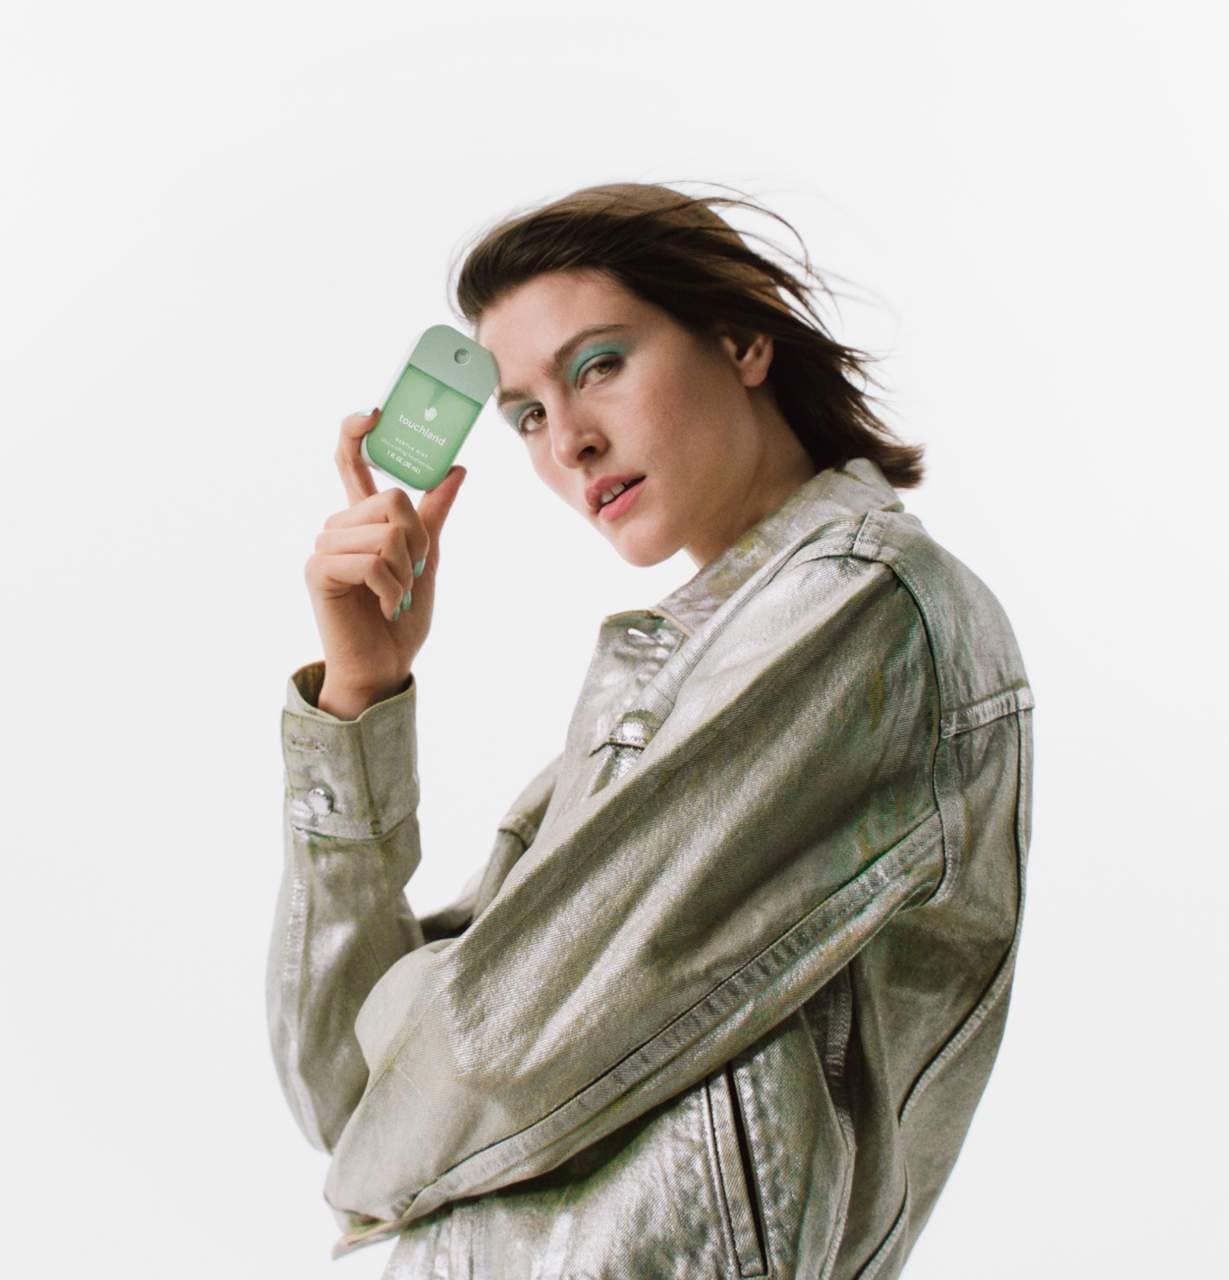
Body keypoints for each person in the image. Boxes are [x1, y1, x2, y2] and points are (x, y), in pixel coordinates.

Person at [266, 181, 1035, 1279]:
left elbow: (481, 1054)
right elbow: (344, 1090)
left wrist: (423, 1053)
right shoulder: (688, 668)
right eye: (528, 416)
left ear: (741, 340)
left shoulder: (861, 610)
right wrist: (358, 695)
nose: (570, 443)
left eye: (598, 366)